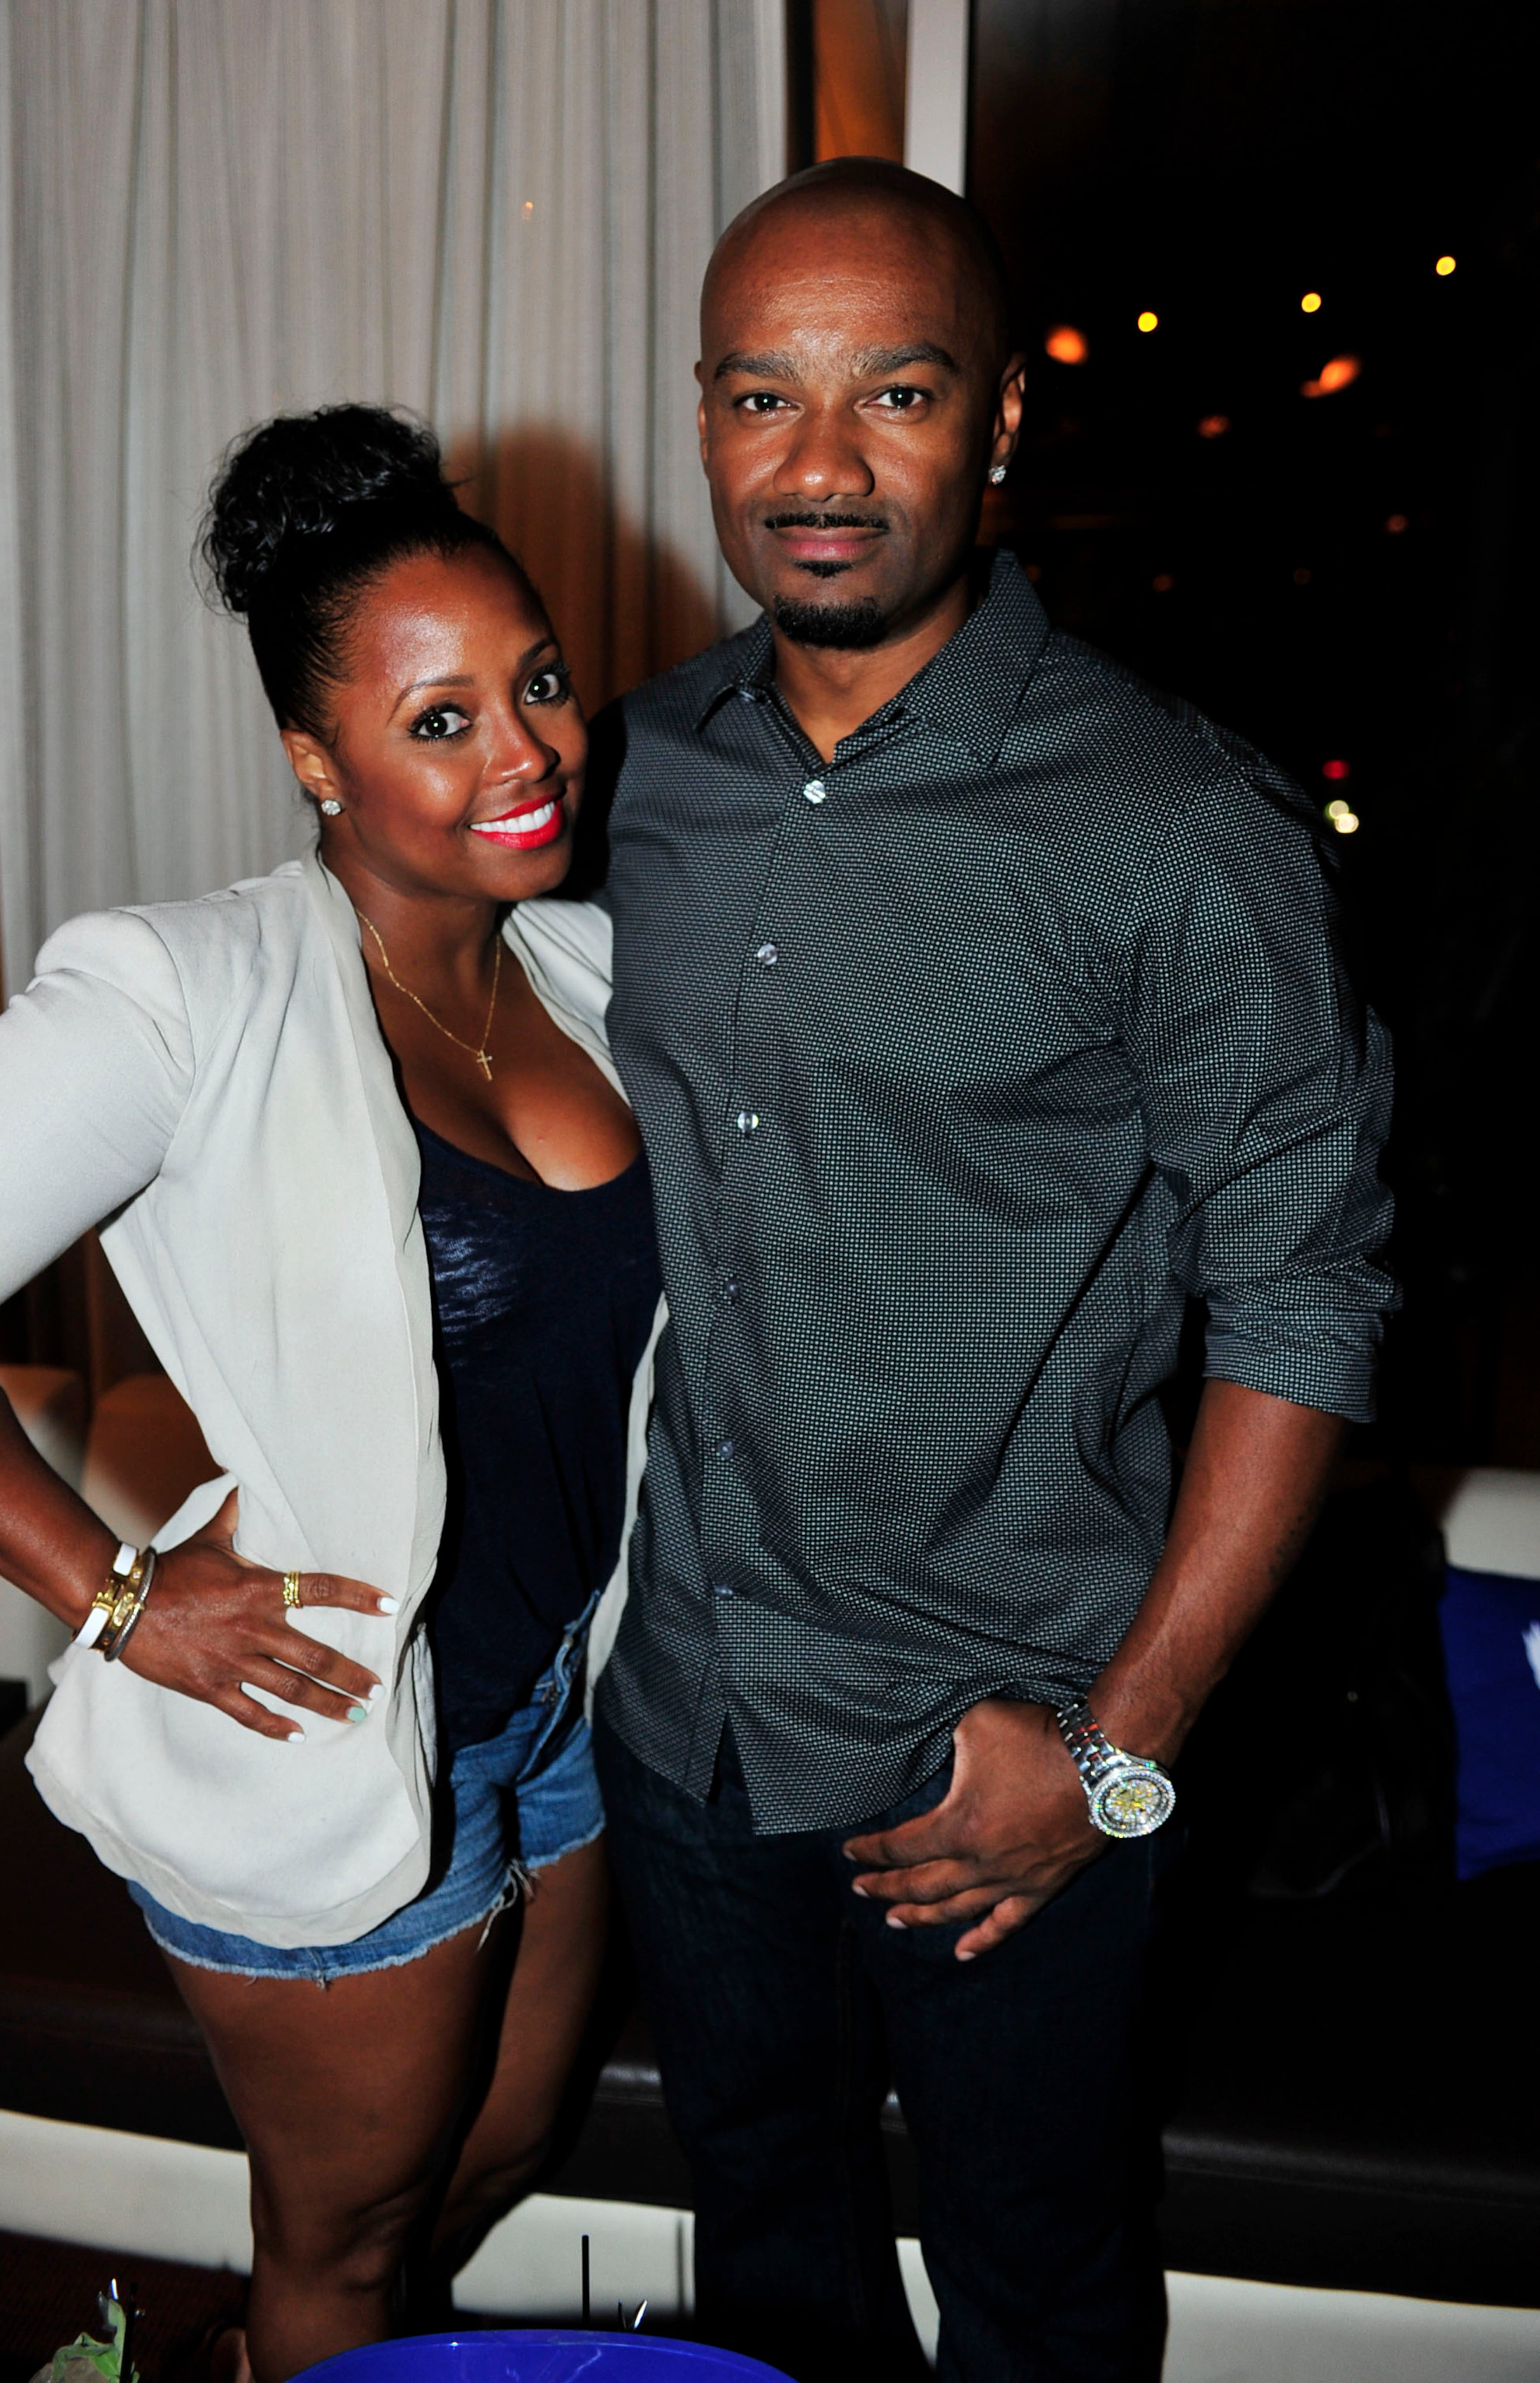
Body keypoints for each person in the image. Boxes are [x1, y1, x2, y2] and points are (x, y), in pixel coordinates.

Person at [590, 159, 1396, 2383]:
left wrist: (1119, 1755)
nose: (820, 463)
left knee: (1035, 2288)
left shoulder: (1174, 824)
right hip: (690, 1718)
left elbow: (1306, 1300)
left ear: (1003, 426)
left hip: (1004, 1753)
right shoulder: (635, 770)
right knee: (762, 2243)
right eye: (763, 395)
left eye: (895, 393)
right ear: (701, 417)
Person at [0, 408, 663, 2383]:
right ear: (316, 761)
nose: (529, 749)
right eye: (441, 717)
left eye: (537, 682)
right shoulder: (179, 989)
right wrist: (121, 1592)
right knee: (343, 2231)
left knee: (505, 2147)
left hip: (557, 1704)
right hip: (325, 1734)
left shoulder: (588, 970)